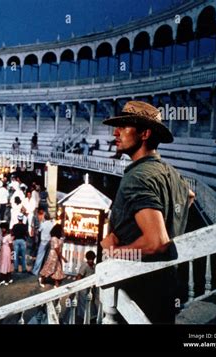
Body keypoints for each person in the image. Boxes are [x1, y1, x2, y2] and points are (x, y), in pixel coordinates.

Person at [100, 100, 194, 324]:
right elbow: (189, 196)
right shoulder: (171, 173)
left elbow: (156, 242)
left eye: (124, 126)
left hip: (138, 290)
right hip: (167, 287)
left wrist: (115, 250)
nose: (116, 132)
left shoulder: (138, 177)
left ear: (145, 134)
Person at [39, 224, 67, 288]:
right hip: (53, 255)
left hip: (57, 255)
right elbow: (56, 248)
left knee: (58, 269)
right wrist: (62, 258)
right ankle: (42, 279)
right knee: (49, 267)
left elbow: (62, 240)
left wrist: (63, 234)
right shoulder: (54, 238)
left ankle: (56, 284)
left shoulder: (58, 238)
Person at [75, 250, 97, 321]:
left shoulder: (94, 266)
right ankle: (84, 318)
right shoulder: (84, 266)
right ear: (87, 259)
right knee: (83, 304)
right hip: (84, 289)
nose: (91, 261)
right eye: (90, 259)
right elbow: (79, 276)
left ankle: (90, 317)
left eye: (92, 259)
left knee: (90, 302)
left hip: (91, 288)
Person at [32, 211, 54, 276]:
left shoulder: (43, 224)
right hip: (49, 241)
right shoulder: (51, 224)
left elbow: (39, 231)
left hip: (43, 241)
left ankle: (35, 271)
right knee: (46, 257)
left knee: (40, 256)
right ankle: (44, 271)